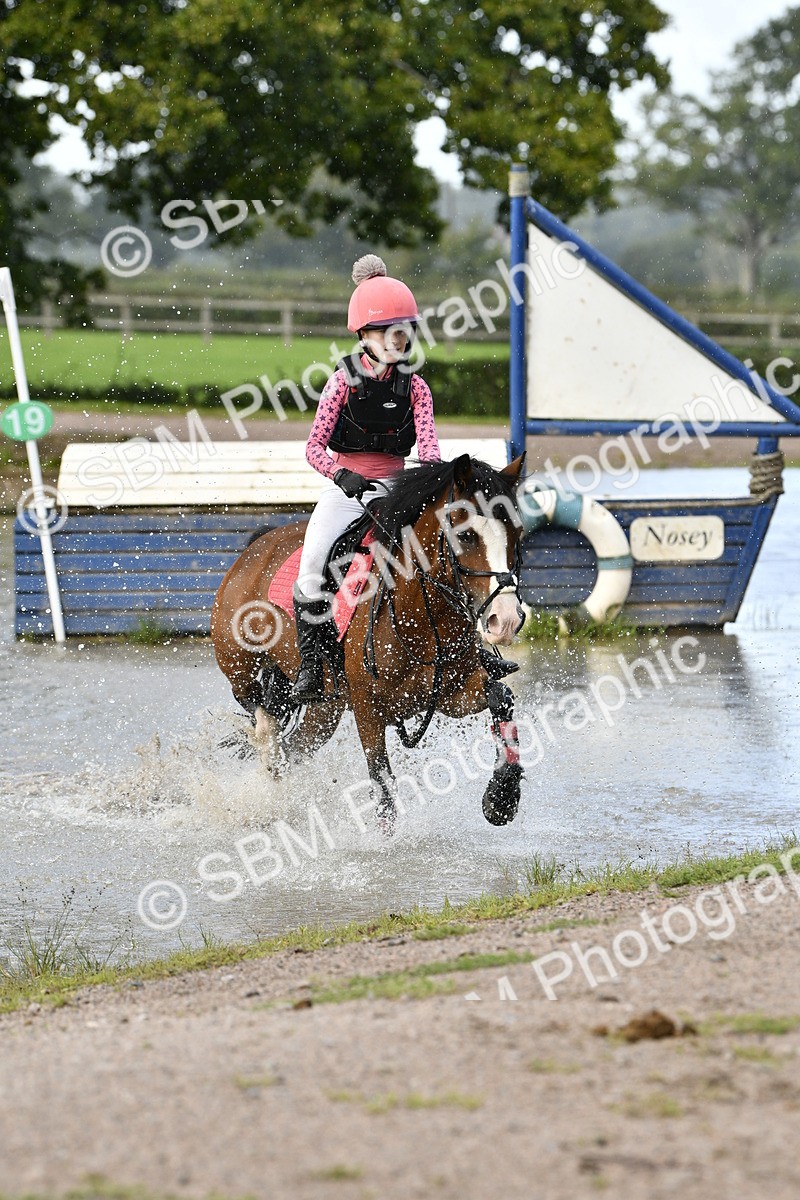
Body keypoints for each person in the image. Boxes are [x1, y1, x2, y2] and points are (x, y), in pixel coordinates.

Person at [290, 254, 442, 703]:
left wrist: (429, 485)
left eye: (404, 329)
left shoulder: (416, 387)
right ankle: (311, 670)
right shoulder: (340, 383)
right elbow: (313, 448)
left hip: (397, 490)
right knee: (314, 568)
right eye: (388, 330)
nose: (399, 338)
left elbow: (430, 451)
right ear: (365, 335)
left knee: (444, 556)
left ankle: (470, 651)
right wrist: (343, 476)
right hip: (346, 491)